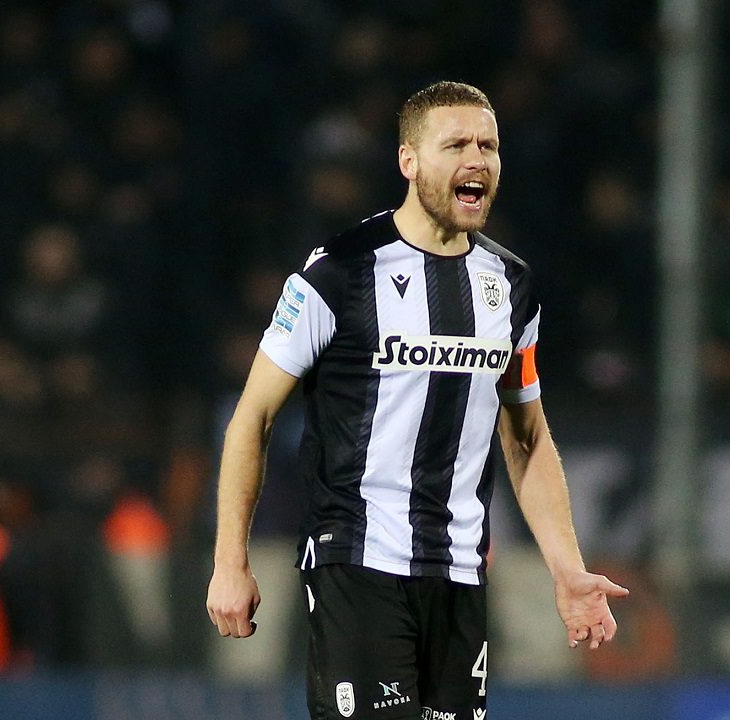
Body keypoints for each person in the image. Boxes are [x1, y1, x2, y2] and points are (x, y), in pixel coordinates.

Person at [205, 81, 628, 719]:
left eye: (488, 146)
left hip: (459, 574)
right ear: (409, 161)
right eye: (456, 145)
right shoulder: (338, 271)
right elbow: (252, 419)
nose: (477, 160)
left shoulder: (511, 286)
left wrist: (568, 571)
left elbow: (526, 437)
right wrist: (229, 561)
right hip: (358, 561)